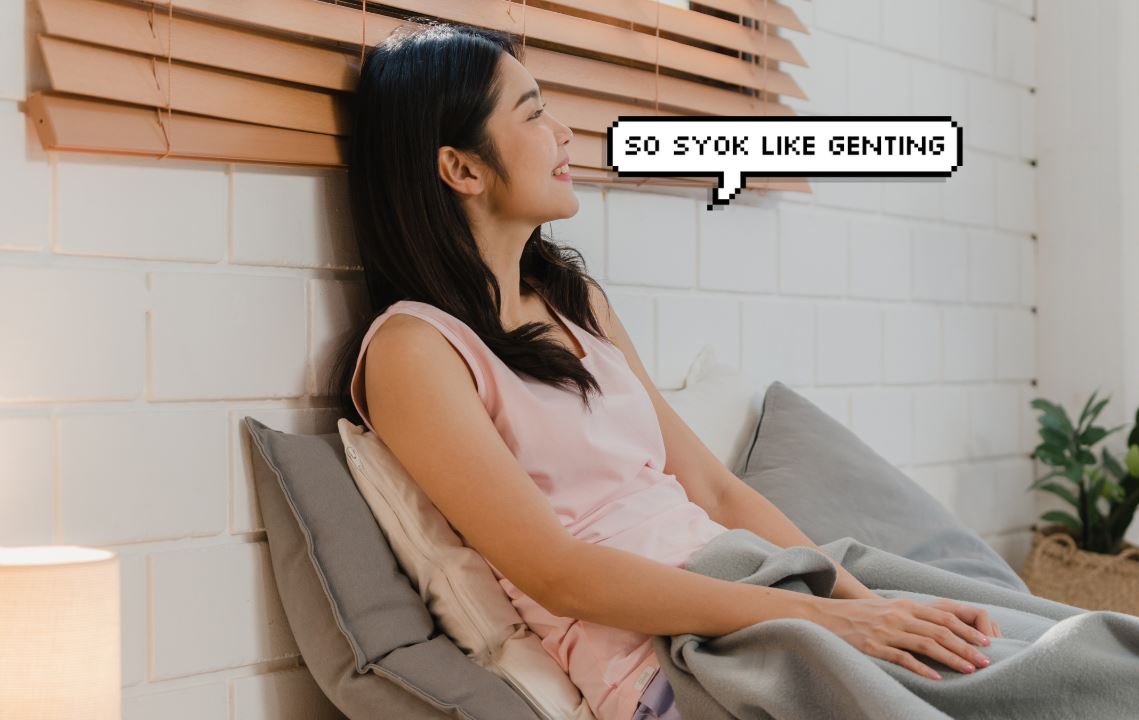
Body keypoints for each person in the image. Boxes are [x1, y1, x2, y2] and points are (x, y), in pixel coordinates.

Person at [327, 20, 999, 720]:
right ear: (462, 169)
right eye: (533, 114)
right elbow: (559, 575)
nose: (564, 133)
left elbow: (713, 488)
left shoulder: (575, 302)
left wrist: (866, 605)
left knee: (1020, 662)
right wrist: (827, 620)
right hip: (669, 655)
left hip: (753, 586)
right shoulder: (414, 349)